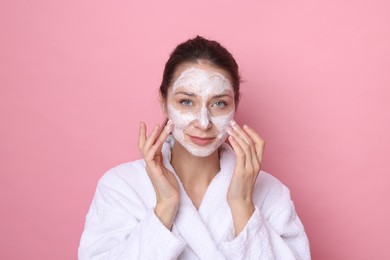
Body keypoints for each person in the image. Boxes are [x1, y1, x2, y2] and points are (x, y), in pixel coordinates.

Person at [78, 36, 310, 259]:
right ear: (163, 102)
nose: (203, 122)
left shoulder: (271, 193)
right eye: (186, 102)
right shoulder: (122, 187)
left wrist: (242, 204)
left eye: (219, 103)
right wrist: (165, 208)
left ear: (235, 105)